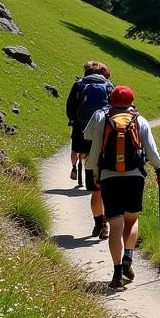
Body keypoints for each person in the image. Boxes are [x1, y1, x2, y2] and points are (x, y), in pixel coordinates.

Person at [84, 85, 160, 288]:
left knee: (115, 225)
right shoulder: (140, 120)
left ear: (111, 100)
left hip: (109, 177)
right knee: (131, 218)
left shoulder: (104, 120)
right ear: (131, 101)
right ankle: (129, 255)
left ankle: (117, 272)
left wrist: (94, 172)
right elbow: (151, 150)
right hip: (134, 176)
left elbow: (94, 150)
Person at [64, 61, 113, 236]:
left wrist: (75, 120)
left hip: (82, 133)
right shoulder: (108, 86)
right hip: (105, 137)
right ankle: (106, 224)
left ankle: (98, 224)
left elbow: (70, 108)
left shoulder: (79, 85)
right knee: (107, 185)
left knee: (95, 189)